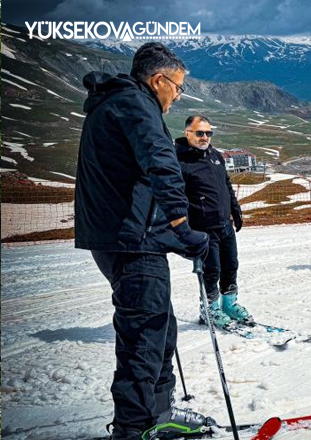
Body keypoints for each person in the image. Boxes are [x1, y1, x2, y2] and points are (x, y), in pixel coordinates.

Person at [75, 43, 214, 439]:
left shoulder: (115, 103)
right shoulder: (135, 105)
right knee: (144, 341)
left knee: (160, 329)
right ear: (158, 80)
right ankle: (134, 430)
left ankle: (159, 414)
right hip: (131, 243)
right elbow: (161, 162)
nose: (178, 95)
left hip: (124, 238)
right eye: (178, 87)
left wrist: (168, 233)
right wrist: (182, 226)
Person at [175, 115, 252, 329]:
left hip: (224, 225)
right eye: (200, 133)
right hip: (203, 229)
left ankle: (229, 304)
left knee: (231, 266)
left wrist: (235, 211)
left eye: (209, 133)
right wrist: (184, 230)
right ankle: (209, 309)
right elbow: (176, 197)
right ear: (187, 132)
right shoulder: (179, 161)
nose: (205, 137)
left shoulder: (215, 156)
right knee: (212, 270)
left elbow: (226, 185)